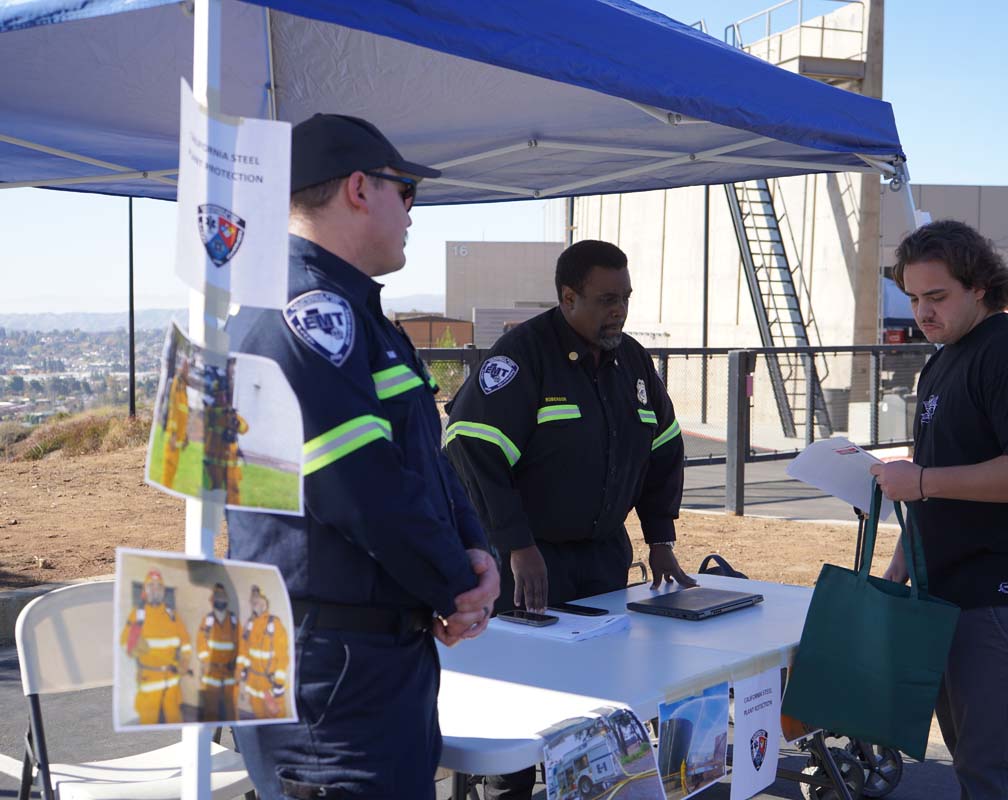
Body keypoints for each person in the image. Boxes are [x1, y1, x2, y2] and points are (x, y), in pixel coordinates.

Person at [225, 113, 499, 799]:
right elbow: (361, 486)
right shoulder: (301, 310)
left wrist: (474, 550)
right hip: (327, 667)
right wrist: (456, 585)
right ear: (357, 188)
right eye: (405, 192)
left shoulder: (355, 311)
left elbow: (424, 460)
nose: (411, 213)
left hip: (372, 655)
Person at [445, 239, 694, 800]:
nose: (619, 310)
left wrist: (660, 538)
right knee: (517, 701)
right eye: (607, 299)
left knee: (598, 698)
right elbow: (471, 448)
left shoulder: (632, 361)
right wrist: (517, 544)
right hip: (527, 564)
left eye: (625, 298)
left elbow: (664, 449)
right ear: (567, 297)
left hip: (601, 560)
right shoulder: (522, 356)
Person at [869, 220, 1008, 799]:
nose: (923, 312)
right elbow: (935, 475)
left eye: (937, 296)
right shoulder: (944, 358)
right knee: (973, 761)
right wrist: (901, 562)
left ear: (979, 286)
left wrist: (921, 480)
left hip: (1006, 593)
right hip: (949, 590)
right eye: (913, 298)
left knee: (989, 768)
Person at [119, 570, 192, 724]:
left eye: (158, 586)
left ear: (163, 591)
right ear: (145, 590)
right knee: (148, 722)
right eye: (150, 585)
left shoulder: (172, 615)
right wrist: (135, 648)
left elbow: (185, 641)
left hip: (171, 679)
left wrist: (185, 661)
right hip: (149, 679)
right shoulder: (138, 614)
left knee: (175, 719)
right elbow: (125, 642)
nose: (155, 589)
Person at [237, 585, 289, 720]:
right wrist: (241, 670)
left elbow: (282, 657)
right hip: (253, 683)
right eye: (253, 600)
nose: (255, 602)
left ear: (265, 603)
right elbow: (244, 651)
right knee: (259, 717)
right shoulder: (249, 625)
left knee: (276, 718)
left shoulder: (274, 624)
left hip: (269, 685)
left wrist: (278, 683)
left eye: (258, 599)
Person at [196, 582, 239, 721]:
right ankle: (211, 731)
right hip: (212, 671)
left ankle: (230, 731)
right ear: (212, 599)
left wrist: (237, 665)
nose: (220, 599)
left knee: (231, 706)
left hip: (229, 670)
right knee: (211, 707)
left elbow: (239, 643)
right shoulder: (207, 620)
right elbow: (200, 642)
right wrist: (205, 662)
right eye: (217, 596)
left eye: (222, 596)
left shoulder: (233, 620)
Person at [160, 358, 190, 488]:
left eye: (188, 368)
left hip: (178, 438)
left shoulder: (183, 386)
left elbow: (183, 413)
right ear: (180, 368)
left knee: (173, 470)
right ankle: (165, 490)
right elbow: (172, 409)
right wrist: (172, 434)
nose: (187, 371)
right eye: (185, 367)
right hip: (173, 437)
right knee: (169, 469)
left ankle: (168, 488)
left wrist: (185, 435)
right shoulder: (177, 384)